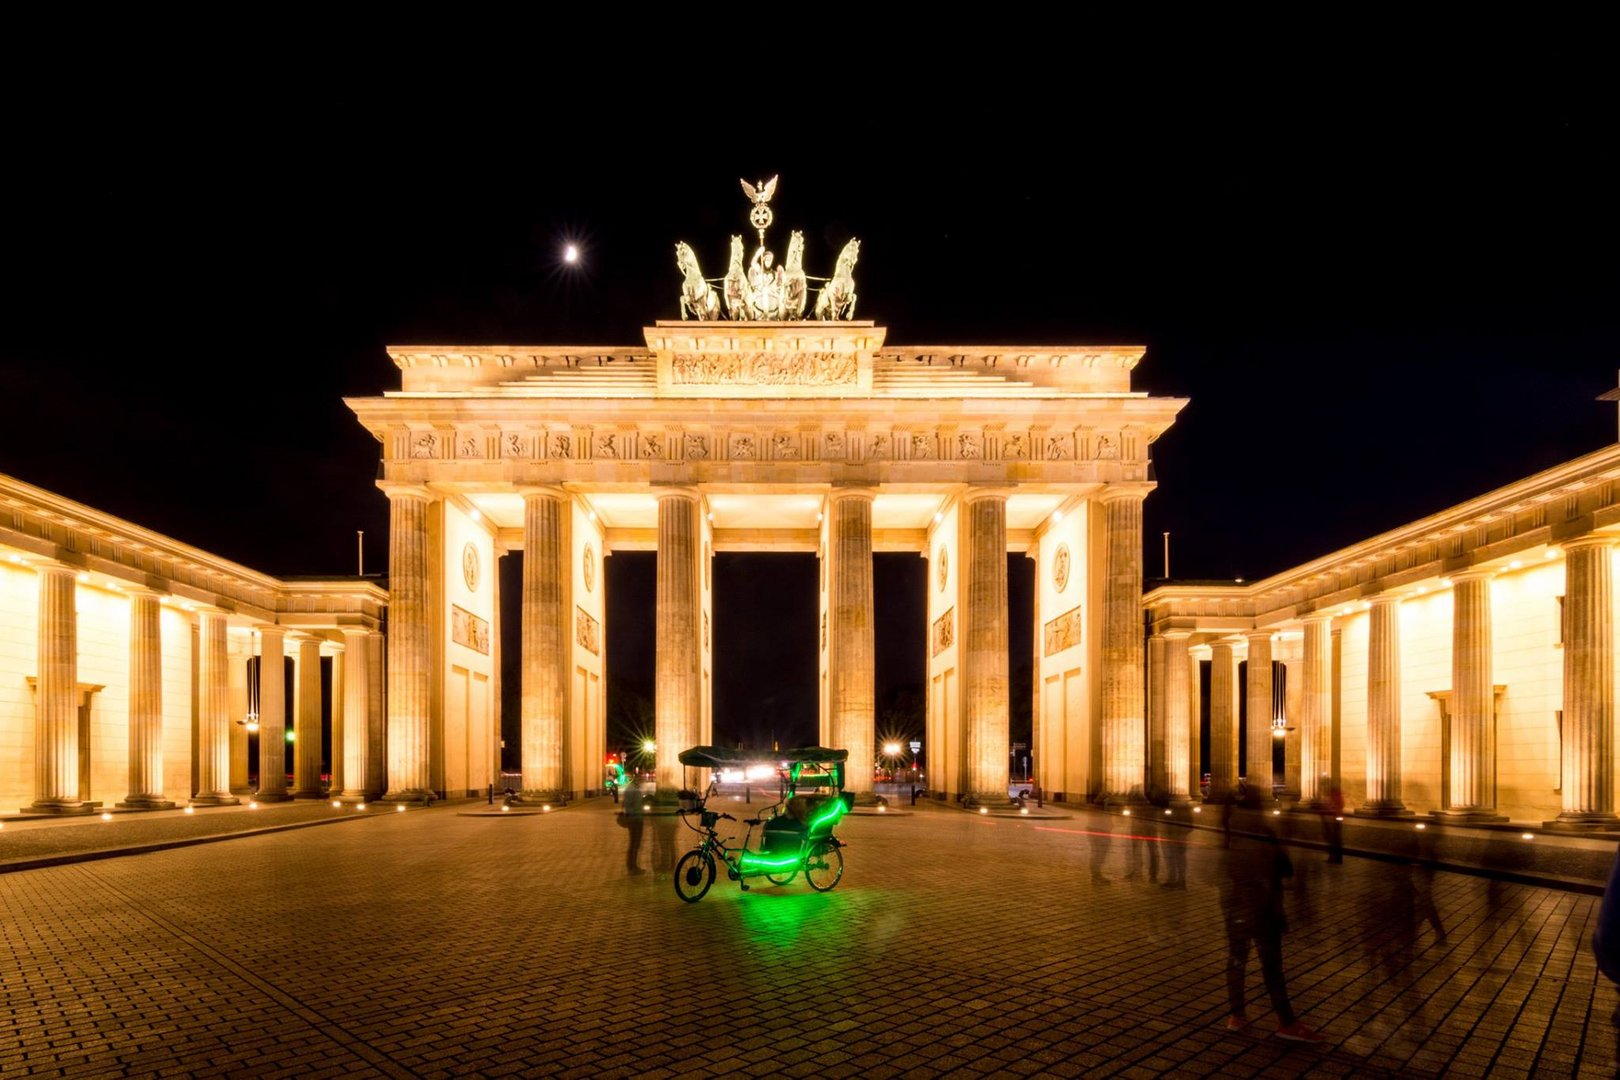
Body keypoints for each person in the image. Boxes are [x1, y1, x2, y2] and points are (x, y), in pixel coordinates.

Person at [1221, 820, 1324, 1043]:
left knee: (1236, 962)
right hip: (1264, 912)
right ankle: (1286, 1022)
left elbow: (1225, 874)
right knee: (1272, 968)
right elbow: (1287, 869)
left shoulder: (1234, 844)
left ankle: (1237, 1016)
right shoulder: (1268, 843)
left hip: (1236, 911)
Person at [619, 783, 645, 875]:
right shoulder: (631, 789)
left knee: (635, 845)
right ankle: (631, 867)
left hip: (638, 819)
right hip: (635, 821)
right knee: (634, 844)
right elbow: (628, 805)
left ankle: (634, 866)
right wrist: (633, 817)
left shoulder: (635, 788)